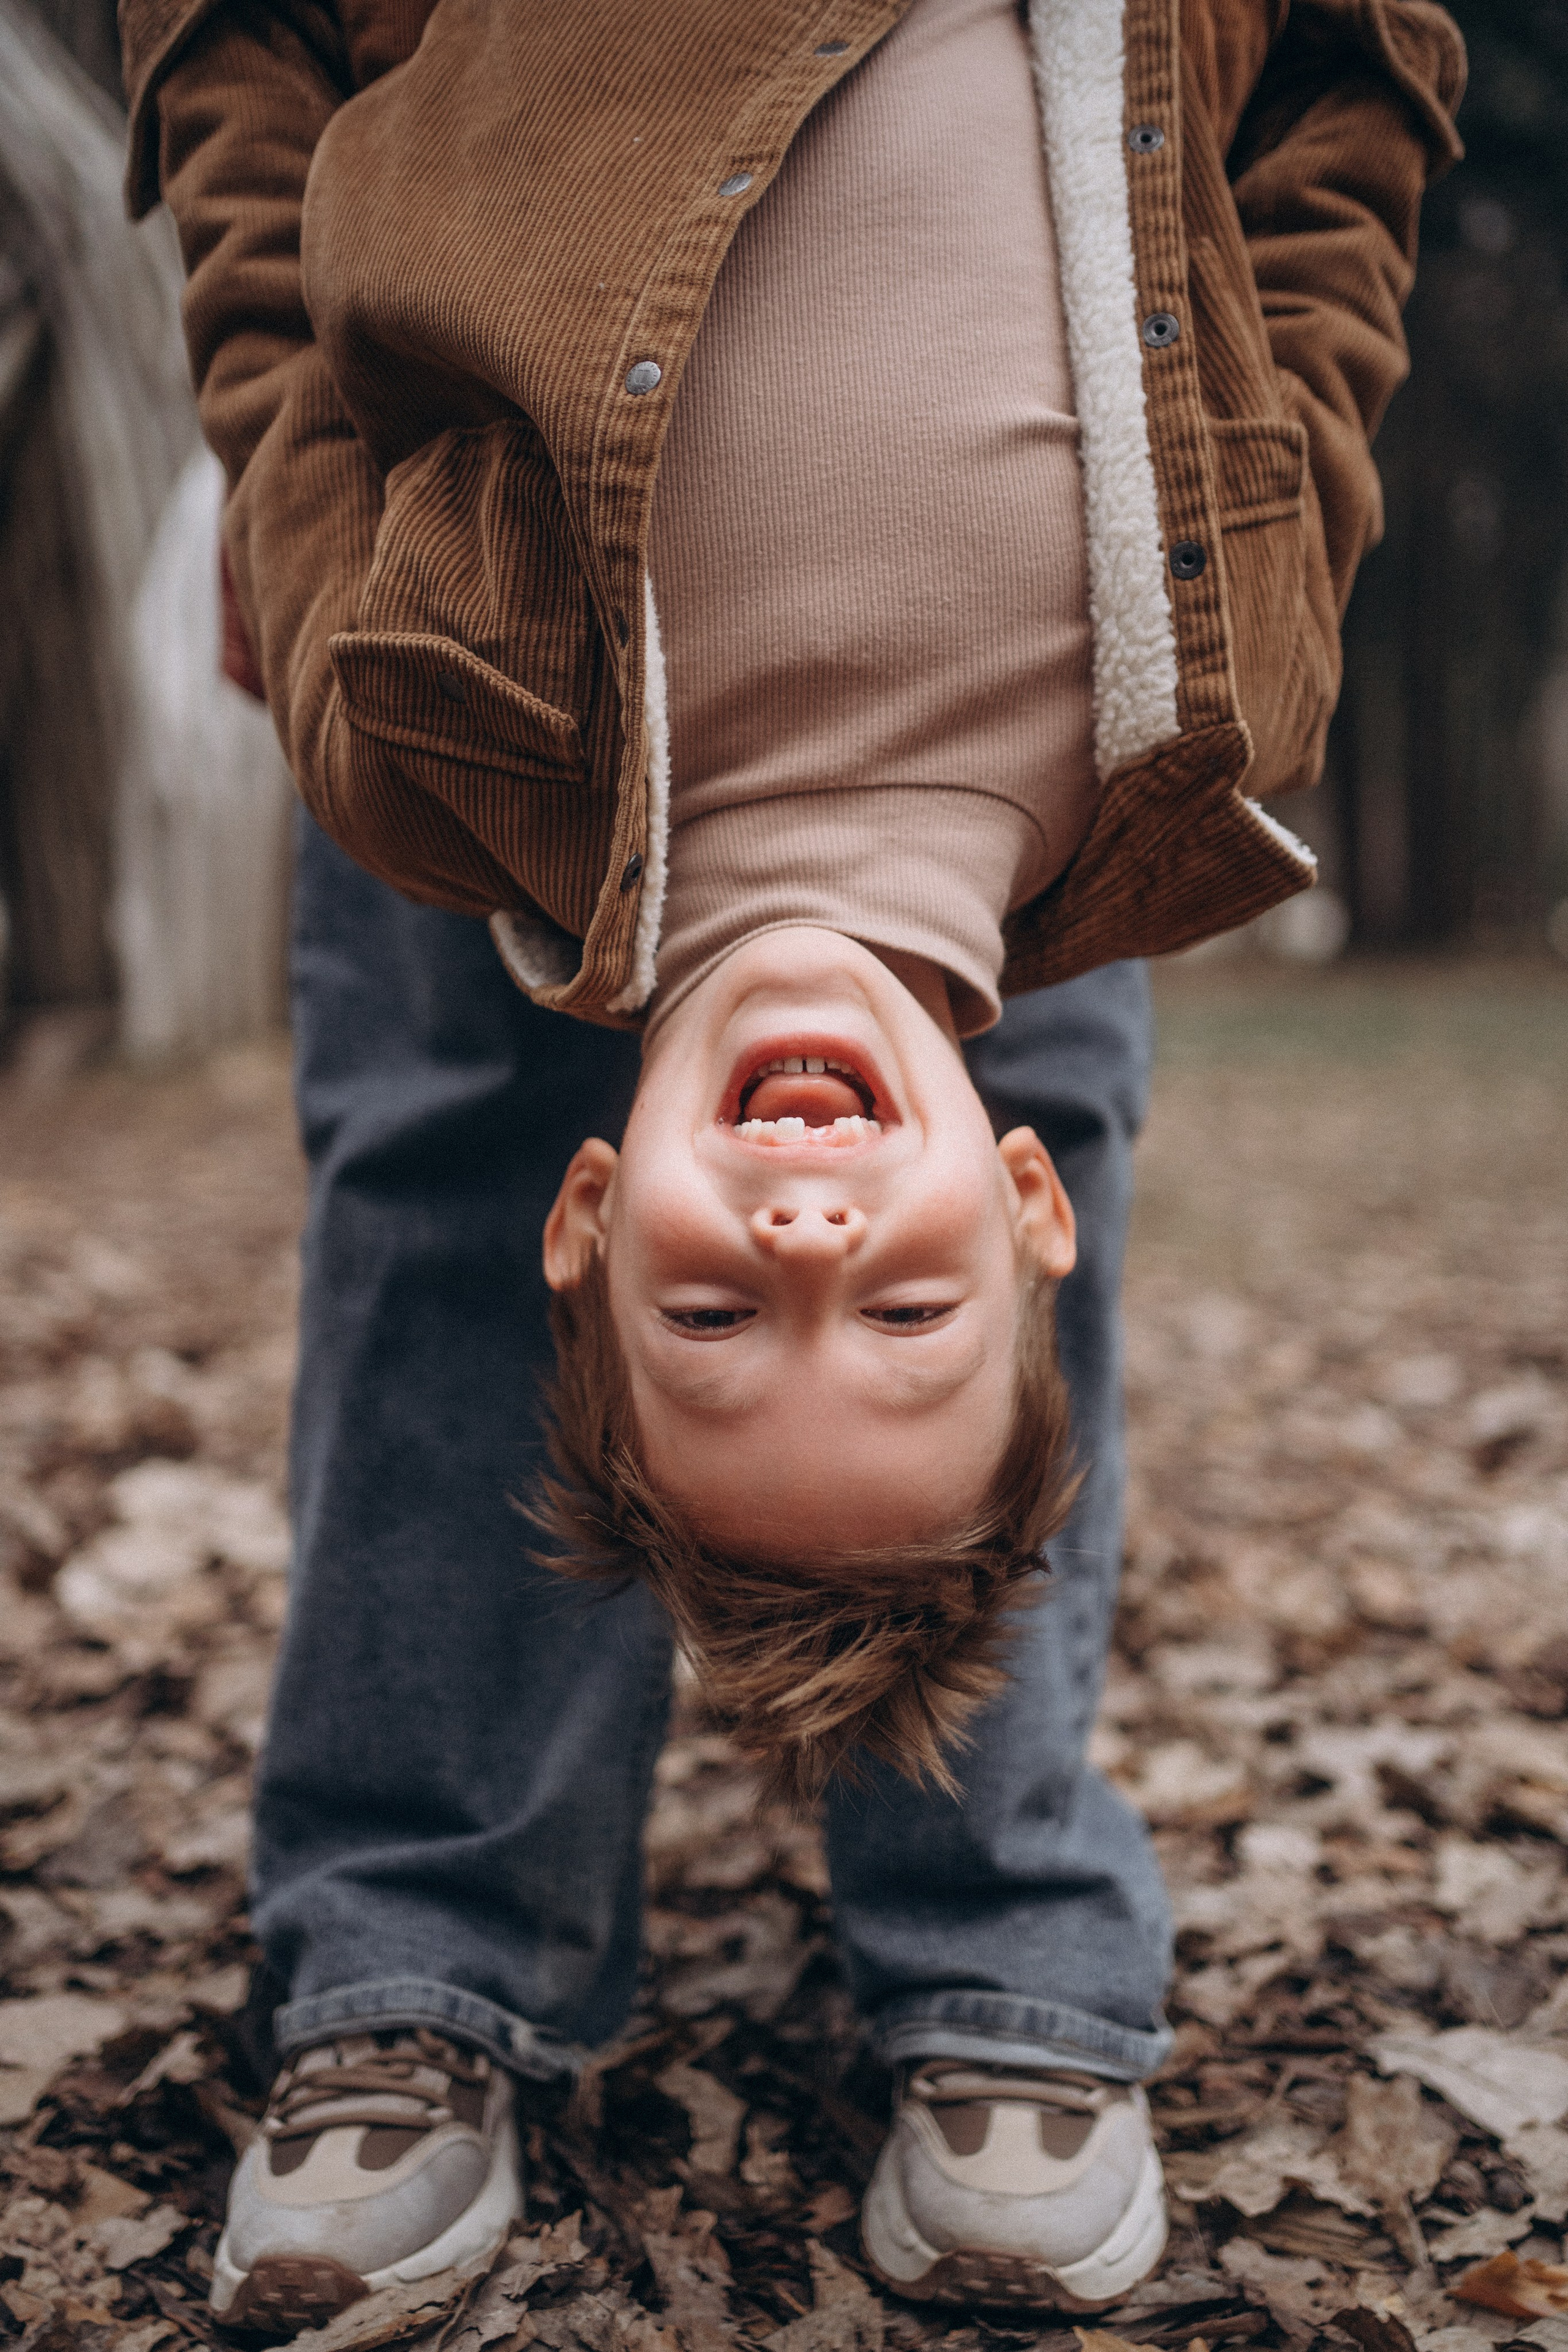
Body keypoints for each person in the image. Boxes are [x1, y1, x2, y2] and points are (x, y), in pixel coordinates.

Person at [119, 0, 1464, 2331]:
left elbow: (261, 243)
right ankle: (440, 1926)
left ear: (605, 1218)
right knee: (571, 1179)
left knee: (451, 1128)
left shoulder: (409, 738)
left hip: (493, 664)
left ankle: (975, 1933)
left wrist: (287, 487)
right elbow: (1320, 218)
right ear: (1002, 1207)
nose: (812, 1233)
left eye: (718, 1311)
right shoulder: (1215, 717)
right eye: (906, 1299)